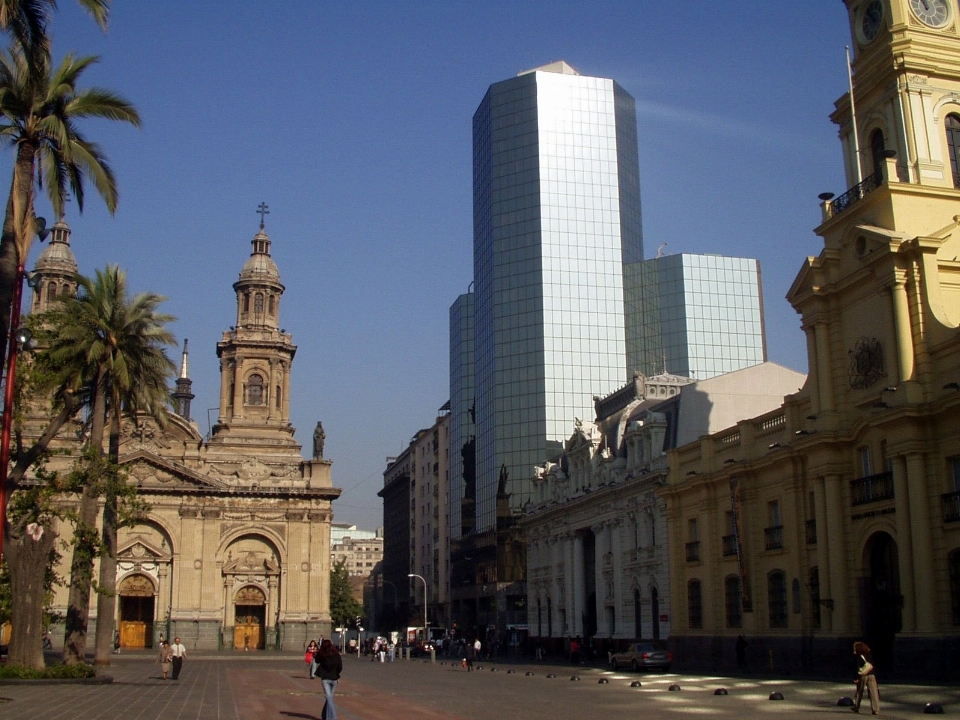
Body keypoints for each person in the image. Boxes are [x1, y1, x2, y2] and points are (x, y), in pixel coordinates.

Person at [315, 639, 343, 720]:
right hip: (334, 678)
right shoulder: (336, 654)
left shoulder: (322, 654)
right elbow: (340, 666)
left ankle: (333, 717)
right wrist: (337, 674)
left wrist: (318, 653)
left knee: (329, 698)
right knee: (329, 697)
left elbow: (317, 661)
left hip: (326, 678)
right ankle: (326, 716)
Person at [852, 641, 880, 715]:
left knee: (859, 691)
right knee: (873, 692)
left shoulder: (859, 656)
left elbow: (857, 668)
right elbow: (872, 665)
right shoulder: (869, 654)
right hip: (871, 675)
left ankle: (856, 707)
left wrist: (856, 677)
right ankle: (875, 709)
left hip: (863, 675)